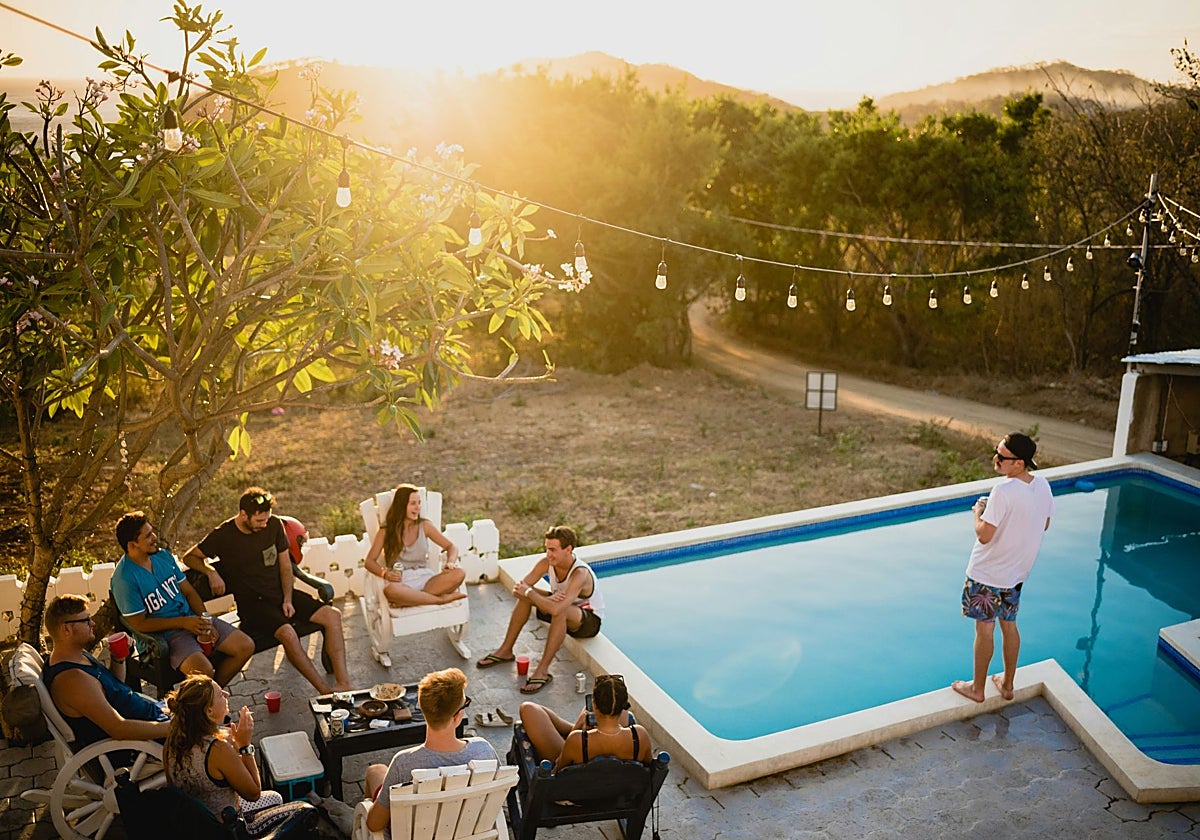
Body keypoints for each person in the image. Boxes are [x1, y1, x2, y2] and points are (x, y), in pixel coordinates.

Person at [181, 487, 353, 694]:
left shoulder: (274, 524)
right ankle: (325, 692)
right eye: (259, 520)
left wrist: (288, 599)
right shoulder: (224, 535)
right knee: (289, 634)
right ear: (243, 514)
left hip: (280, 594)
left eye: (266, 519)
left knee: (333, 615)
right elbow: (189, 557)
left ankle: (344, 684)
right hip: (253, 606)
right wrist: (210, 571)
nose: (264, 524)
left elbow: (286, 566)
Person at [952, 432, 1054, 704]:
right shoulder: (1042, 485)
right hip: (1016, 575)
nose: (995, 459)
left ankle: (977, 689)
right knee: (1009, 626)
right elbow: (1044, 523)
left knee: (985, 630)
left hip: (987, 574)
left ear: (1019, 463)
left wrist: (978, 513)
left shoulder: (1003, 491)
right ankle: (1007, 685)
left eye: (1001, 457)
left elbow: (984, 535)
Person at [112, 511, 255, 687]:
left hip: (192, 620)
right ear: (133, 545)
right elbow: (139, 623)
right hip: (165, 638)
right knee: (204, 671)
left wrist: (206, 621)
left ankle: (210, 695)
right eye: (148, 536)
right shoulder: (124, 579)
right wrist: (183, 623)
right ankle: (207, 696)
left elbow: (189, 593)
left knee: (245, 646)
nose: (155, 537)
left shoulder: (162, 556)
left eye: (152, 532)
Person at [164, 674, 310, 836]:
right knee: (298, 810)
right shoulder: (217, 749)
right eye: (220, 695)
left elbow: (174, 787)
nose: (226, 694)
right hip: (222, 829)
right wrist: (244, 746)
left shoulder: (172, 741)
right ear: (209, 711)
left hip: (191, 824)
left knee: (274, 797)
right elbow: (253, 793)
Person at [363, 668, 495, 836]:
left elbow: (374, 825)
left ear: (423, 711)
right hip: (467, 830)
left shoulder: (403, 763)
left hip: (414, 833)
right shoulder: (483, 751)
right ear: (457, 717)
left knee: (375, 771)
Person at [476, 525, 605, 695]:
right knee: (526, 598)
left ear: (568, 549)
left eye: (553, 550)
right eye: (547, 548)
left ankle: (542, 671)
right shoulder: (546, 563)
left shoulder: (579, 573)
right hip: (561, 606)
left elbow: (555, 607)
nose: (548, 554)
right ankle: (505, 650)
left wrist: (531, 593)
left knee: (556, 608)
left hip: (587, 622)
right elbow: (518, 589)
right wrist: (537, 596)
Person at [43, 595, 169, 748]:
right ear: (66, 629)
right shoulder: (72, 679)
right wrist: (174, 727)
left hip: (154, 716)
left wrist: (118, 658)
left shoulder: (77, 655)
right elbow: (118, 729)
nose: (93, 623)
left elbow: (112, 689)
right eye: (86, 620)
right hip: (144, 741)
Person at [519, 673, 651, 772]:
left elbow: (557, 774)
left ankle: (576, 726)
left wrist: (577, 730)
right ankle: (580, 726)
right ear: (623, 706)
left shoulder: (577, 740)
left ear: (594, 705)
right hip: (619, 790)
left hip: (579, 791)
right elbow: (649, 767)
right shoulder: (640, 735)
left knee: (528, 709)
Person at [362, 484, 467, 607]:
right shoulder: (386, 531)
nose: (418, 507)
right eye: (413, 503)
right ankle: (440, 600)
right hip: (401, 581)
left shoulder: (425, 526)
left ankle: (410, 601)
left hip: (426, 579)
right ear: (401, 506)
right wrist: (385, 574)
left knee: (460, 573)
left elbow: (451, 547)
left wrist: (450, 562)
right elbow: (369, 561)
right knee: (390, 590)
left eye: (419, 503)